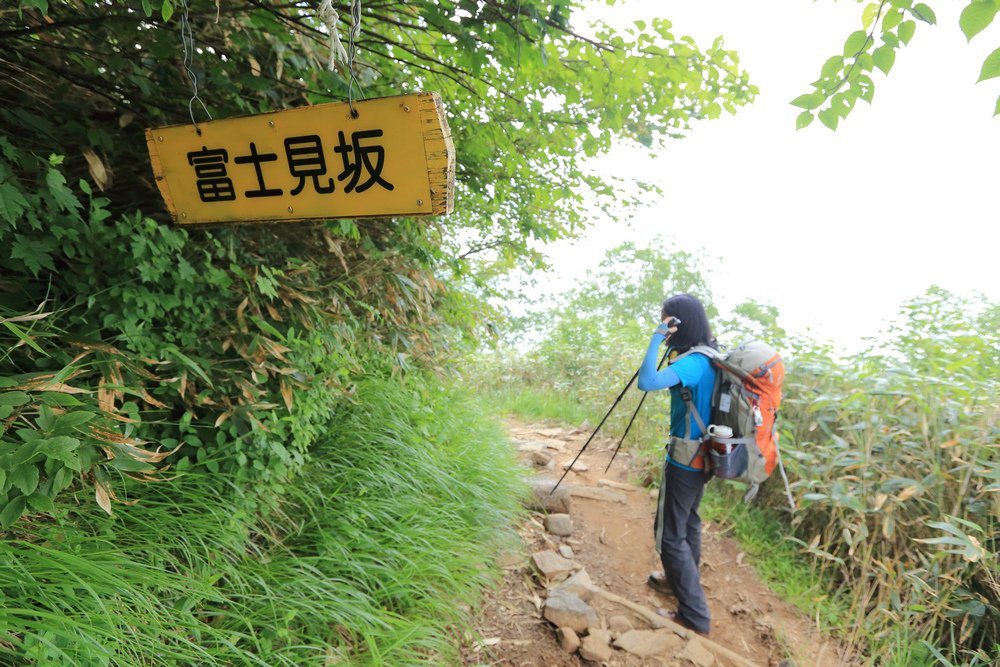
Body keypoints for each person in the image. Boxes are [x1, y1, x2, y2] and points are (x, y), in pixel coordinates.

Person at [636, 293, 718, 636]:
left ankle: (694, 615)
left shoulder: (693, 363)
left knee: (670, 536)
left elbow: (647, 382)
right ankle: (676, 583)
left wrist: (656, 337)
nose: (665, 325)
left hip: (685, 459)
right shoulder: (710, 355)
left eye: (667, 320)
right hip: (706, 456)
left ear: (678, 323)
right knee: (689, 524)